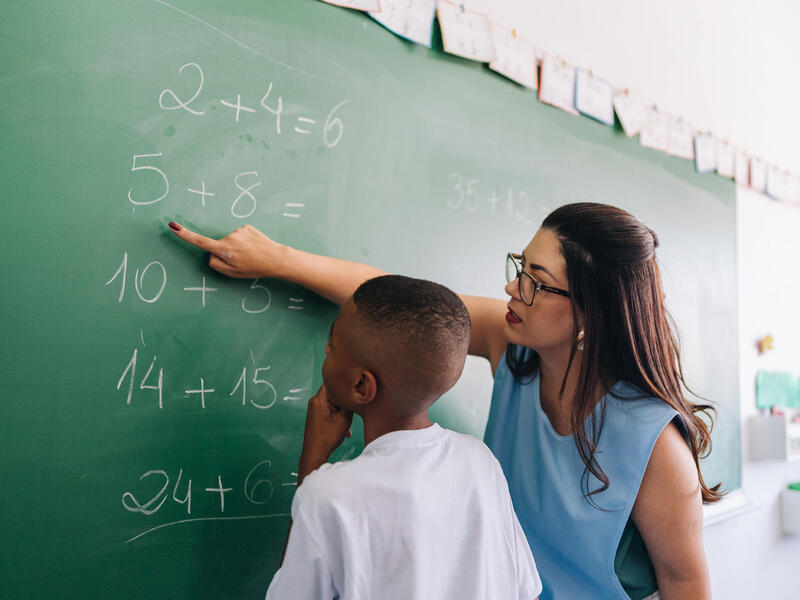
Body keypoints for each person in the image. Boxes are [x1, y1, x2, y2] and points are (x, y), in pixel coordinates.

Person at [168, 201, 720, 600]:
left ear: (590, 314)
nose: (512, 289)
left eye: (536, 281)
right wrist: (278, 259)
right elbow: (405, 307)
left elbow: (685, 587)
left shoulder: (653, 444)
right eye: (519, 266)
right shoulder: (516, 351)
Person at [263, 275, 542, 600]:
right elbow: (526, 592)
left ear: (361, 387)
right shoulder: (480, 461)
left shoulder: (329, 495)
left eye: (333, 345)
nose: (325, 348)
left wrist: (313, 460)